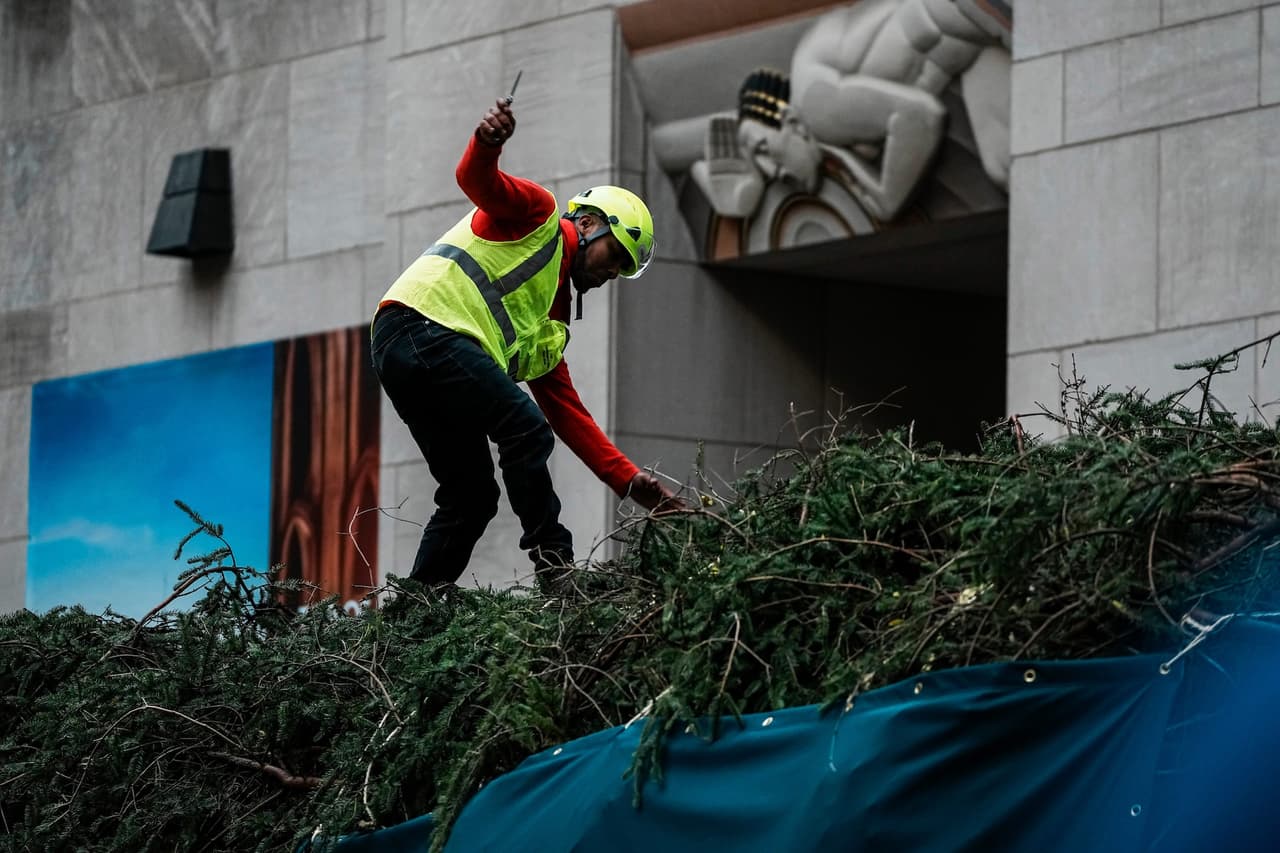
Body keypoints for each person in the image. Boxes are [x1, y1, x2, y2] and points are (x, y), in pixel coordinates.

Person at [370, 96, 680, 591]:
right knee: (525, 428)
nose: (612, 272)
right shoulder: (539, 216)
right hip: (422, 324)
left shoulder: (548, 325)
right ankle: (555, 567)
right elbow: (477, 181)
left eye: (624, 268)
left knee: (472, 496)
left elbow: (570, 416)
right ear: (588, 223)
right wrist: (487, 142)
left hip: (403, 351)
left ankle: (415, 610)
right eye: (616, 254)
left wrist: (626, 479)